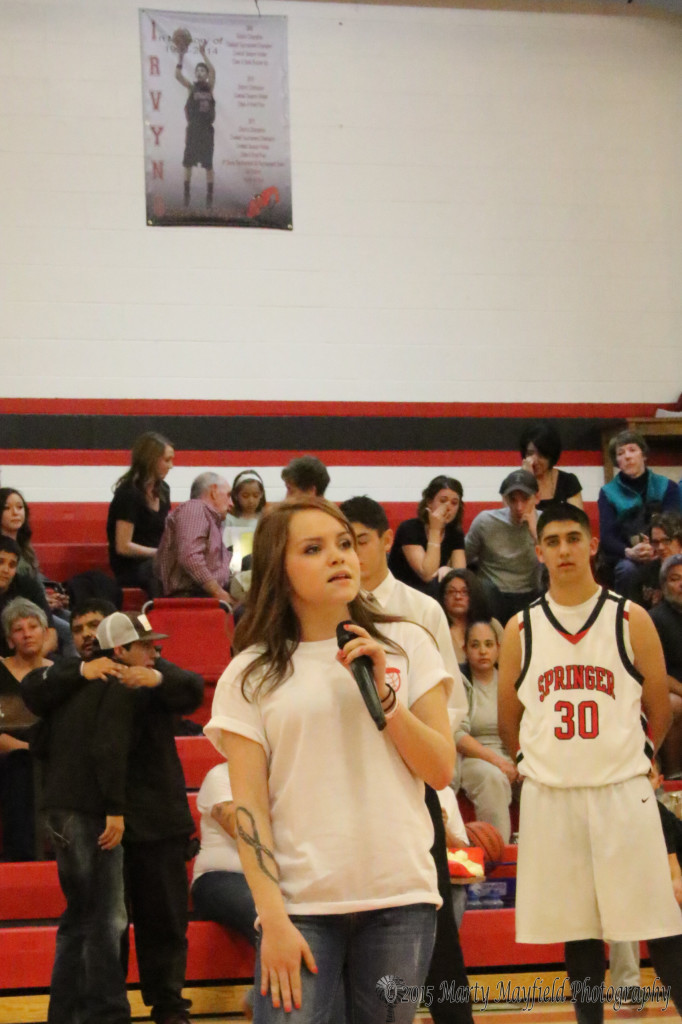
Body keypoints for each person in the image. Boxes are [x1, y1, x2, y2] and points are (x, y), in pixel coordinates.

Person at [204, 498, 455, 1024]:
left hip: (400, 898)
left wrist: (385, 696)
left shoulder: (407, 643)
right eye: (313, 549)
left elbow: (440, 770)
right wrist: (271, 919)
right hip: (299, 908)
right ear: (279, 567)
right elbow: (249, 810)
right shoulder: (251, 673)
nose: (339, 557)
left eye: (345, 544)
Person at [498, 502, 682, 1023]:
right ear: (539, 551)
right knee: (578, 935)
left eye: (572, 538)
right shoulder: (521, 629)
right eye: (552, 541)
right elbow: (509, 719)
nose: (563, 549)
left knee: (660, 924)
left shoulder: (630, 616)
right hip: (554, 797)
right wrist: (532, 762)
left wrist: (643, 754)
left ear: (592, 544)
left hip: (622, 793)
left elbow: (656, 706)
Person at [339, 495, 474, 1024]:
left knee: (436, 929)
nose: (349, 554)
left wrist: (427, 766)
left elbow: (454, 703)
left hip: (417, 781)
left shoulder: (421, 610)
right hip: (349, 789)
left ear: (386, 540)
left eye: (359, 541)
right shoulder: (324, 612)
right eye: (340, 543)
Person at [21, 608, 138, 1024]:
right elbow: (107, 747)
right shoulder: (83, 674)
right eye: (82, 627)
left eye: (95, 626)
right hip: (86, 808)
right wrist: (115, 808)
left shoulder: (87, 676)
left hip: (62, 805)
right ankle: (104, 1014)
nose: (88, 635)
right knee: (106, 917)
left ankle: (66, 1013)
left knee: (81, 917)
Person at [190, 763, 257, 1019]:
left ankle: (261, 998)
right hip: (217, 878)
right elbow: (240, 830)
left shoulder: (283, 777)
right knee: (267, 915)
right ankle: (263, 1004)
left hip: (270, 880)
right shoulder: (221, 775)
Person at [598, 430, 681, 603]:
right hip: (627, 556)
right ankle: (629, 620)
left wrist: (656, 549)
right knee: (627, 570)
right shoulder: (608, 493)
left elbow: (676, 527)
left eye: (632, 450)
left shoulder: (668, 487)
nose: (627, 456)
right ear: (617, 462)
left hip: (665, 550)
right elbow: (607, 537)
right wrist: (629, 552)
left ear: (643, 455)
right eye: (621, 453)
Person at [0, 598, 52, 861]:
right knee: (22, 767)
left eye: (33, 626)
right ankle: (20, 857)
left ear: (45, 633)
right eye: (18, 629)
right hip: (9, 757)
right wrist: (28, 749)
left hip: (53, 755)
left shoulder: (59, 673)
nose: (27, 633)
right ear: (10, 640)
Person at [456, 620, 517, 842]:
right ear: (465, 649)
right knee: (493, 778)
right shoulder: (459, 682)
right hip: (474, 756)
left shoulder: (511, 682)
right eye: (475, 645)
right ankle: (499, 854)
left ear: (498, 649)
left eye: (489, 644)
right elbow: (457, 735)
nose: (483, 651)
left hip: (510, 753)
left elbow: (528, 725)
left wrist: (520, 760)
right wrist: (497, 761)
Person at [1, 487, 73, 653]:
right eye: (7, 508)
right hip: (25, 610)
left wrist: (48, 595)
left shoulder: (25, 546)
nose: (15, 513)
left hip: (39, 604)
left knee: (76, 620)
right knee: (69, 631)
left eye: (20, 508)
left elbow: (35, 580)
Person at [465, 470, 541, 624]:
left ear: (537, 498)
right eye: (513, 500)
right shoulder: (486, 521)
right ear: (504, 499)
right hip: (493, 592)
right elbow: (461, 557)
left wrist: (535, 534)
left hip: (530, 592)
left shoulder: (547, 522)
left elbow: (554, 565)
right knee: (483, 588)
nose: (519, 507)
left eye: (525, 499)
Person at [107, 431, 174, 596]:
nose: (171, 466)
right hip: (131, 567)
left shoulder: (163, 490)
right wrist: (159, 552)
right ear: (151, 460)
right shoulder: (129, 493)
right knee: (157, 569)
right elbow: (123, 546)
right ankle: (159, 614)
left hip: (156, 561)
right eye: (167, 460)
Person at [155, 472, 234, 606]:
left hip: (204, 594)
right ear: (214, 491)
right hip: (193, 598)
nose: (231, 504)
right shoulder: (195, 508)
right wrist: (219, 593)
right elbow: (190, 557)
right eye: (228, 495)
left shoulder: (213, 521)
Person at [388, 475, 466, 596]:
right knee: (433, 586)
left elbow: (461, 574)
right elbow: (427, 574)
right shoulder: (409, 528)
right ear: (429, 502)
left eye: (454, 503)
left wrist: (449, 571)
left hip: (433, 592)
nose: (448, 507)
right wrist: (435, 529)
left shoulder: (455, 532)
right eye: (443, 501)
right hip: (403, 591)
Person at [650, 554, 682, 777]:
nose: (681, 584)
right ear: (664, 585)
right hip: (671, 689)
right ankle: (674, 775)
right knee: (674, 705)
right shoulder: (654, 619)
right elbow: (656, 672)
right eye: (675, 579)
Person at [175, 43, 216, 210]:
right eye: (197, 70)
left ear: (206, 75)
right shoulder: (191, 88)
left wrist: (203, 54)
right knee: (188, 163)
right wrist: (181, 56)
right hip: (193, 130)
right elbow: (177, 75)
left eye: (202, 70)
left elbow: (214, 71)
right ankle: (186, 195)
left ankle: (209, 197)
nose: (199, 72)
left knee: (209, 165)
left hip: (206, 131)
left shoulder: (210, 87)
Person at [0, 537, 56, 658]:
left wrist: (29, 664)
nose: (5, 570)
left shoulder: (28, 586)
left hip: (28, 659)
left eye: (12, 565)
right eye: (1, 562)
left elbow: (51, 634)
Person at [438, 568, 503, 667]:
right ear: (444, 597)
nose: (458, 597)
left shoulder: (492, 625)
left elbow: (507, 663)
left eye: (464, 592)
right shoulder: (437, 627)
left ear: (474, 594)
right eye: (451, 592)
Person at [519, 422, 583, 511]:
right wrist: (526, 480)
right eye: (530, 453)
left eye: (541, 455)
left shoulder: (568, 482)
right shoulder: (515, 483)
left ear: (551, 455)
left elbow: (578, 521)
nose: (534, 460)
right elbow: (517, 520)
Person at [224, 470, 266, 574]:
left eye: (255, 495)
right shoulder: (229, 519)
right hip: (234, 571)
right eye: (245, 496)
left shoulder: (266, 519)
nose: (251, 501)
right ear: (236, 496)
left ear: (261, 495)